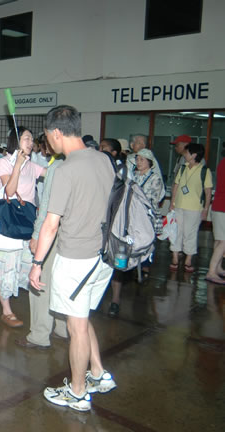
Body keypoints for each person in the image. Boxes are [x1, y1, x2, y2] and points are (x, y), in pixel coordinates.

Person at [29, 105, 117, 412]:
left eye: (47, 136)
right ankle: (98, 374)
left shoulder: (65, 170)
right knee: (82, 318)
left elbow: (51, 224)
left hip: (76, 258)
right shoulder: (104, 160)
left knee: (75, 327)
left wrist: (37, 264)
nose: (48, 143)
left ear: (55, 133)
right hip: (103, 256)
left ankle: (78, 393)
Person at [0, 128, 45, 328]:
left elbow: (50, 175)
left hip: (27, 219)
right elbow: (9, 190)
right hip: (9, 219)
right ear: (16, 141)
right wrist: (18, 166)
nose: (31, 142)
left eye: (32, 139)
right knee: (5, 263)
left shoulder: (32, 164)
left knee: (25, 261)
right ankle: (6, 311)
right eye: (26, 138)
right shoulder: (4, 162)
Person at [16, 135, 68, 350]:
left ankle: (39, 335)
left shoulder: (58, 168)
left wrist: (37, 236)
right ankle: (64, 327)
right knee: (64, 281)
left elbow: (47, 207)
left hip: (55, 232)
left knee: (41, 282)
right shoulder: (93, 163)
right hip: (78, 237)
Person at [107, 148, 165, 318]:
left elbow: (149, 200)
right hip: (125, 221)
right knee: (120, 258)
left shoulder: (154, 179)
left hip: (143, 220)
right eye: (137, 159)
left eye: (142, 159)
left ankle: (142, 267)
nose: (138, 162)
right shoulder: (129, 174)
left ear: (150, 162)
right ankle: (116, 299)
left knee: (141, 249)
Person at [169, 143, 213, 272]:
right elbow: (176, 186)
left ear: (193, 155)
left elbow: (208, 191)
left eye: (186, 153)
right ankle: (175, 257)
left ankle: (188, 259)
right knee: (176, 232)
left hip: (194, 208)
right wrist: (172, 203)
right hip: (179, 206)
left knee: (190, 233)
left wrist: (206, 209)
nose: (184, 155)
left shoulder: (205, 171)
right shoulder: (183, 168)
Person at [206, 155, 225, 284]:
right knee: (223, 241)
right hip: (223, 206)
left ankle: (217, 268)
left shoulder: (222, 162)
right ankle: (211, 272)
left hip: (219, 205)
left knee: (219, 239)